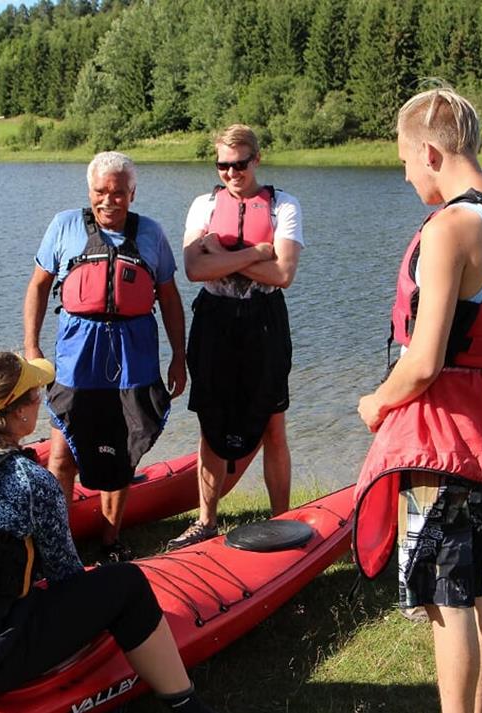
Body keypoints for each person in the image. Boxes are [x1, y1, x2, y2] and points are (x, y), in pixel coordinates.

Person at [0, 352, 212, 712]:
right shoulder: (29, 479)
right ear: (19, 412)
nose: (41, 400)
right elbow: (66, 575)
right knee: (128, 583)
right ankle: (184, 702)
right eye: (36, 394)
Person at [352, 89, 482, 713]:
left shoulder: (451, 229)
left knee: (446, 598)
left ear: (431, 153)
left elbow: (424, 360)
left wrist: (376, 403)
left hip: (443, 437)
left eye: (406, 162)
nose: (407, 177)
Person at [23, 151, 186, 562]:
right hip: (77, 355)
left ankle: (111, 542)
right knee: (62, 453)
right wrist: (32, 347)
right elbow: (38, 286)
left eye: (118, 192)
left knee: (123, 448)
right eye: (100, 192)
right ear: (89, 191)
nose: (108, 200)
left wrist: (179, 356)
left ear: (132, 193)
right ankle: (57, 546)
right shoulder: (64, 226)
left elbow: (169, 298)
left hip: (134, 356)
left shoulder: (151, 233)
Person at [167, 124, 303, 550]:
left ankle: (281, 521)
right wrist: (256, 253)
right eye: (222, 165)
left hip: (264, 320)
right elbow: (194, 269)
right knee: (210, 423)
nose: (231, 173)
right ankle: (206, 521)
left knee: (273, 424)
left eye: (240, 164)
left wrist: (220, 255)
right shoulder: (204, 205)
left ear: (256, 159)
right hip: (215, 320)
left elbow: (283, 274)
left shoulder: (284, 206)